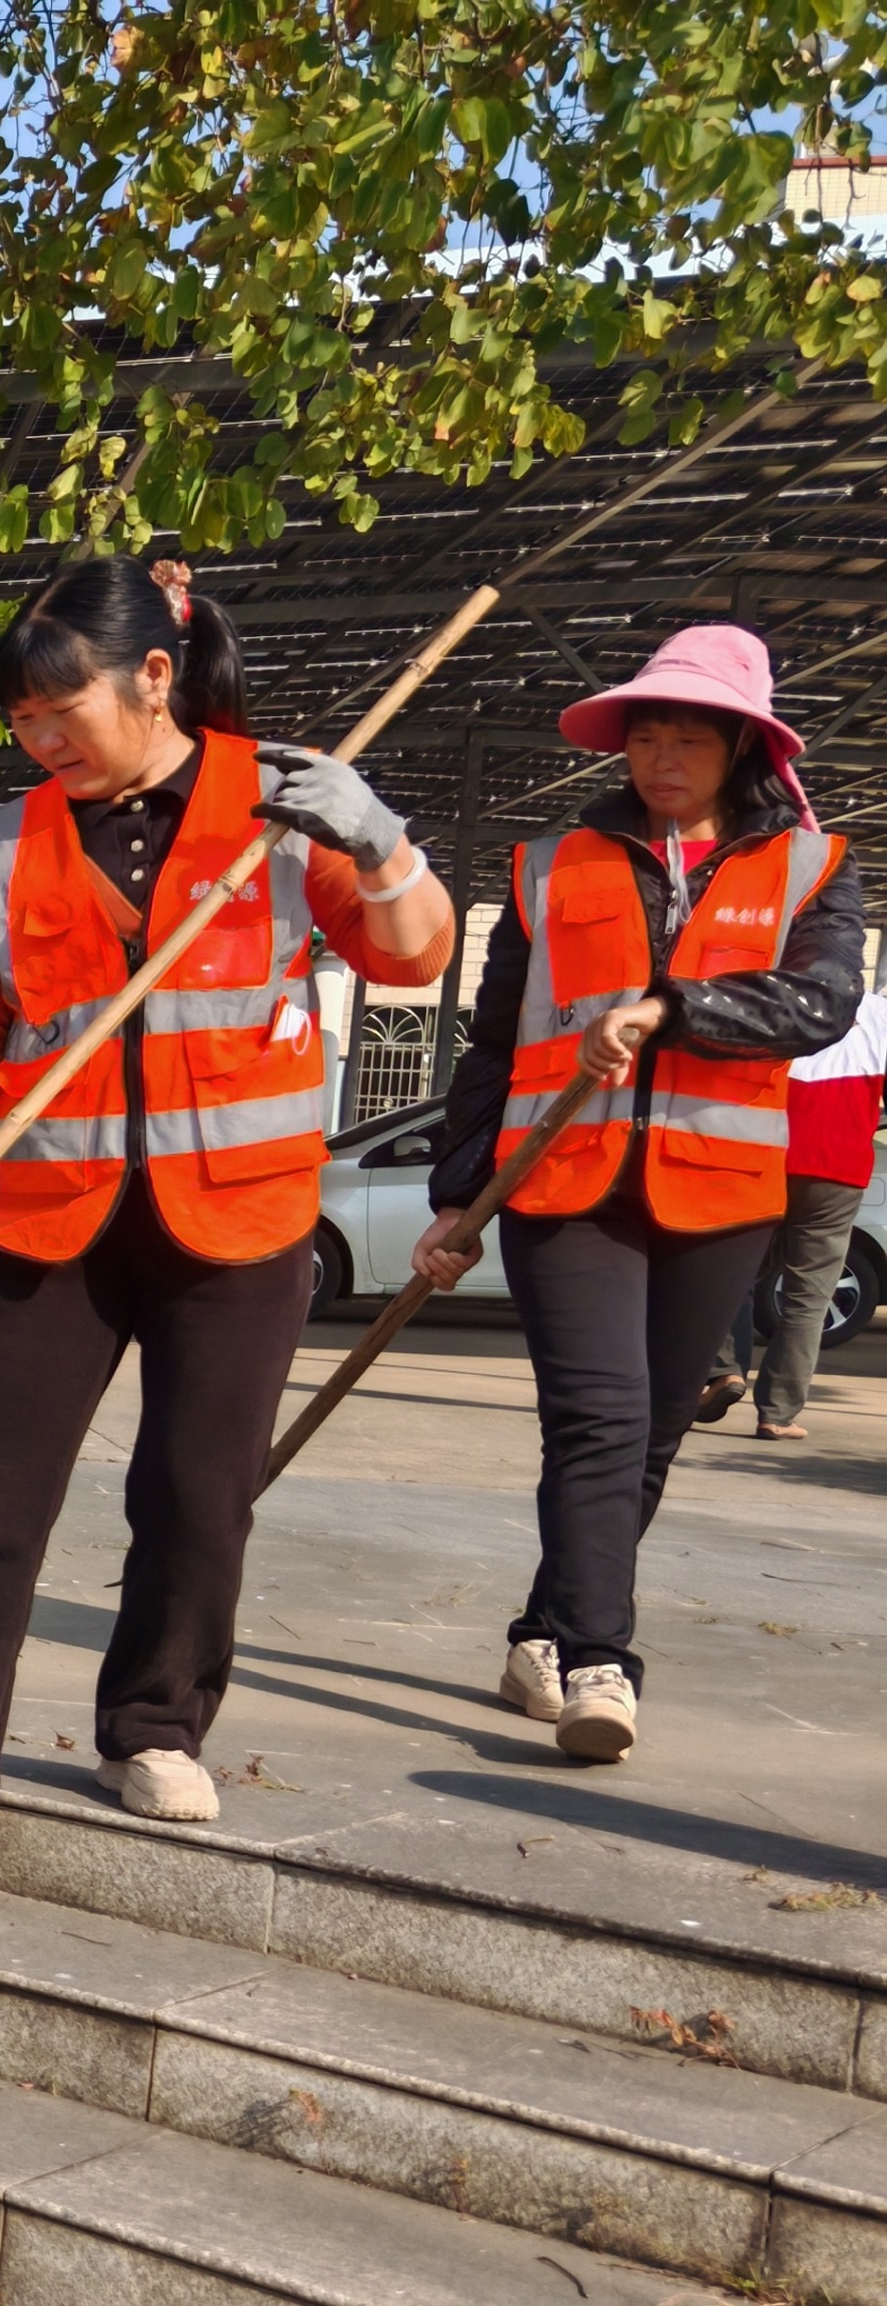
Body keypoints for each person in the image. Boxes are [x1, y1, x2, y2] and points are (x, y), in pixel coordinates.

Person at [0, 559, 456, 1905]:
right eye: (22, 722)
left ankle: (155, 1727)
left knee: (194, 1495)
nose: (40, 739)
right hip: (49, 1212)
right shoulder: (6, 842)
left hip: (238, 1220)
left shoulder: (283, 813)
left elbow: (414, 958)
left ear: (154, 677)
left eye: (62, 711)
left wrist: (383, 841)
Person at [412, 626, 864, 1760]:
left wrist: (675, 1009)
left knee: (653, 1431)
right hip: (564, 1187)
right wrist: (458, 1197)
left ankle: (541, 1632)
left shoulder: (813, 867)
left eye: (690, 737)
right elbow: (496, 1043)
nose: (663, 755)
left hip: (721, 1194)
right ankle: (602, 1663)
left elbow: (820, 1007)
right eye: (646, 734)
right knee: (599, 1418)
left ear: (742, 749)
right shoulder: (547, 866)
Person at [703, 987, 887, 1437]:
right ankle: (778, 1414)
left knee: (731, 1274)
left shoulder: (769, 997)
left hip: (761, 1156)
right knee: (809, 1297)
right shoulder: (881, 1017)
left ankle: (722, 1371)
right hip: (836, 1170)